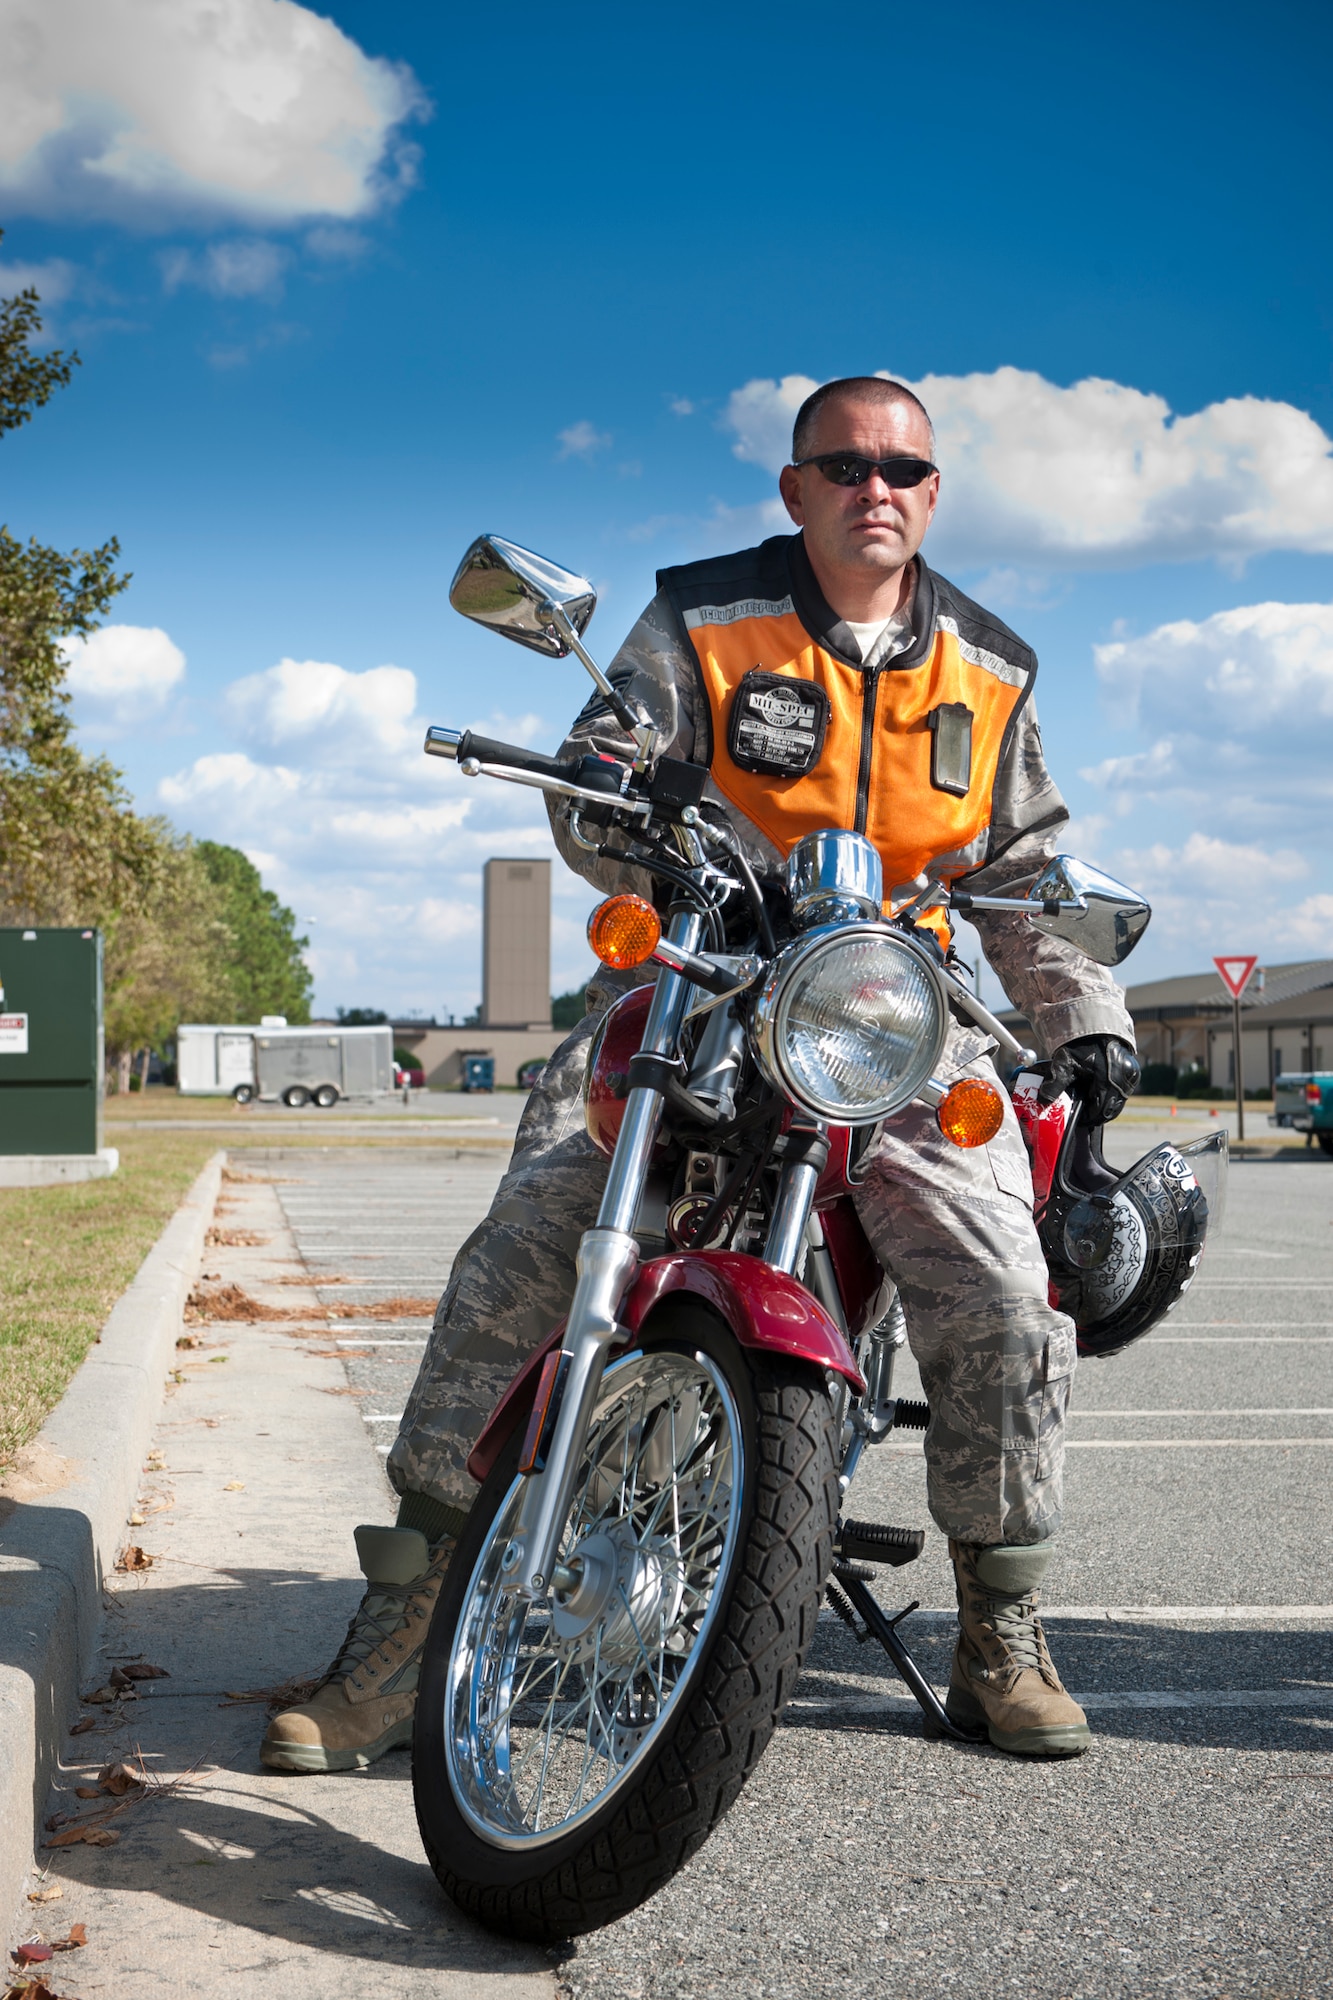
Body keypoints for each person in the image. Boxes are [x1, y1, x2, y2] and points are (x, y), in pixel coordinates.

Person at [261, 375, 1139, 1775]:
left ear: (931, 492)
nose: (876, 490)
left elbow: (1023, 877)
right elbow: (595, 778)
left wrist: (1084, 1013)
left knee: (1002, 1291)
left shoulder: (988, 663)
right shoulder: (701, 619)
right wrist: (635, 812)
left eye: (904, 470)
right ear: (794, 488)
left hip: (889, 1016)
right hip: (701, 978)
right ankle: (401, 1627)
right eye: (844, 465)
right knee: (527, 1243)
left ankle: (1000, 1630)